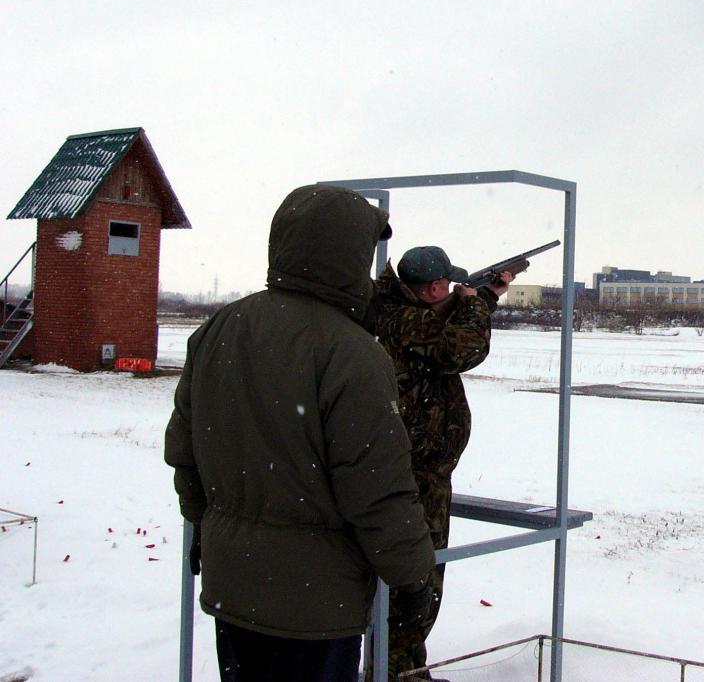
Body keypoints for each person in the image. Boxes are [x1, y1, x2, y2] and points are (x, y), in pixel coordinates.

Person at [164, 185, 436, 682]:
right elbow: (376, 490)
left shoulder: (221, 328)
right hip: (315, 608)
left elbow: (186, 454)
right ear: (348, 255)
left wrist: (204, 525)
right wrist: (413, 576)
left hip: (234, 590)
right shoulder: (351, 353)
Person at [374, 245, 512, 679]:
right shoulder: (403, 320)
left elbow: (442, 338)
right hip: (414, 477)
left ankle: (403, 669)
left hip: (419, 472)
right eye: (448, 285)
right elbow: (460, 349)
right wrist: (474, 305)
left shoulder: (402, 313)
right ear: (434, 288)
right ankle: (398, 672)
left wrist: (485, 296)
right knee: (415, 587)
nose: (453, 289)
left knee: (415, 586)